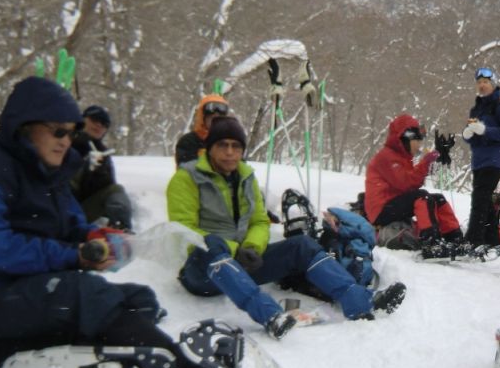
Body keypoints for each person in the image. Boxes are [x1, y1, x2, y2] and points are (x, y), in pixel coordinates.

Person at [0, 76, 226, 368]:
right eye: (57, 131)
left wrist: (101, 237)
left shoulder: (47, 172)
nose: (65, 141)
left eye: (71, 132)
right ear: (24, 126)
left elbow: (72, 224)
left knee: (139, 298)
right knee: (87, 294)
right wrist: (74, 255)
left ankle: (106, 351)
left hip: (32, 286)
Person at [168, 116, 407, 339]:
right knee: (213, 246)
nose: (230, 152)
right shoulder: (187, 178)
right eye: (223, 145)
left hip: (242, 262)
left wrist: (251, 246)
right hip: (202, 270)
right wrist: (231, 249)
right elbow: (182, 231)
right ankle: (271, 315)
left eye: (236, 146)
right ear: (210, 147)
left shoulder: (245, 178)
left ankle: (360, 302)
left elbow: (260, 221)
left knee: (302, 246)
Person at [365, 114, 469, 259]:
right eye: (417, 140)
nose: (419, 145)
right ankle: (431, 243)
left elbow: (415, 178)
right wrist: (426, 162)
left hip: (393, 204)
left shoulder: (402, 157)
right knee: (422, 196)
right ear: (405, 138)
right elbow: (407, 183)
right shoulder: (386, 157)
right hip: (381, 210)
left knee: (438, 199)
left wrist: (437, 157)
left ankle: (455, 239)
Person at [462, 67, 500, 247]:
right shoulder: (475, 110)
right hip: (478, 161)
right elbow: (473, 138)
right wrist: (468, 135)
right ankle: (492, 240)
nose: (482, 86)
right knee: (484, 201)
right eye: (479, 83)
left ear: (493, 84)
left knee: (479, 200)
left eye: (485, 82)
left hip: (494, 160)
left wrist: (485, 130)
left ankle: (473, 241)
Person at [70, 105, 133, 230]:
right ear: (83, 120)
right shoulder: (65, 141)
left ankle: (121, 229)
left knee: (116, 191)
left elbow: (107, 188)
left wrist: (97, 173)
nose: (99, 125)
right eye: (94, 120)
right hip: (56, 207)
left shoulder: (103, 153)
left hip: (81, 211)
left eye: (104, 124)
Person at [174, 94, 232, 167]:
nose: (216, 122)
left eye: (219, 119)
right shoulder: (188, 142)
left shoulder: (230, 142)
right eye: (212, 118)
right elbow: (189, 170)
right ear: (202, 119)